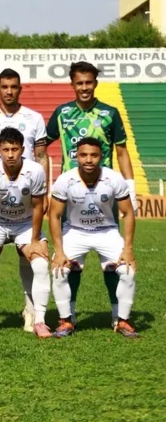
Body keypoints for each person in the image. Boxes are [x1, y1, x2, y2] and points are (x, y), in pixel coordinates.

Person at [46, 61, 137, 326]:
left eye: (89, 82)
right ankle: (69, 315)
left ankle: (117, 314)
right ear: (72, 84)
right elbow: (42, 144)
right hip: (71, 194)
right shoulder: (62, 113)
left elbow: (121, 151)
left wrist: (129, 186)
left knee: (115, 258)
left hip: (105, 194)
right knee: (67, 258)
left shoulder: (110, 112)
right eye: (79, 82)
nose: (84, 87)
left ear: (95, 83)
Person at [0, 68, 49, 331]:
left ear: (19, 88)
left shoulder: (34, 118)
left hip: (26, 208)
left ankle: (32, 313)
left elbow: (41, 156)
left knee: (31, 256)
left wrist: (45, 191)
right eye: (4, 86)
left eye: (13, 86)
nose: (8, 91)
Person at [48, 137, 138, 338]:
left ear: (102, 156)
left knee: (128, 271)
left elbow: (129, 213)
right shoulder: (65, 179)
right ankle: (66, 320)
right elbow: (53, 215)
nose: (88, 160)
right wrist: (59, 251)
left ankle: (122, 320)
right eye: (83, 155)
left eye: (94, 155)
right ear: (76, 157)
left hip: (106, 231)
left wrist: (128, 249)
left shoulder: (113, 178)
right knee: (59, 270)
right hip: (75, 231)